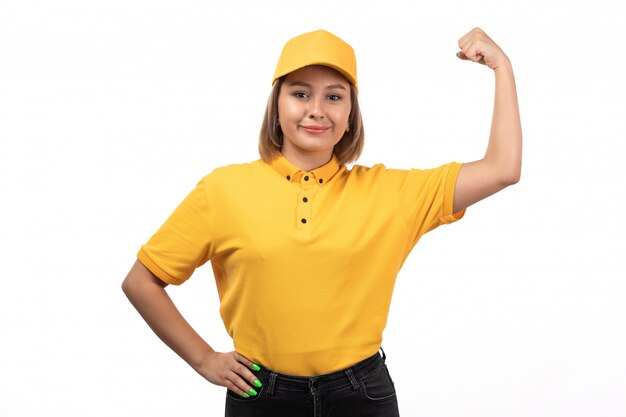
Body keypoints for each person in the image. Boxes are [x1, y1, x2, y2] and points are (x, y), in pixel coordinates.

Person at [122, 27, 522, 417]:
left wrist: (502, 68)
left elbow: (502, 169)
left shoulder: (392, 193)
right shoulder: (223, 189)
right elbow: (141, 281)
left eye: (334, 96)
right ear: (276, 105)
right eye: (300, 94)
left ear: (351, 114)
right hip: (260, 395)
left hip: (361, 395)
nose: (316, 109)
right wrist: (203, 359)